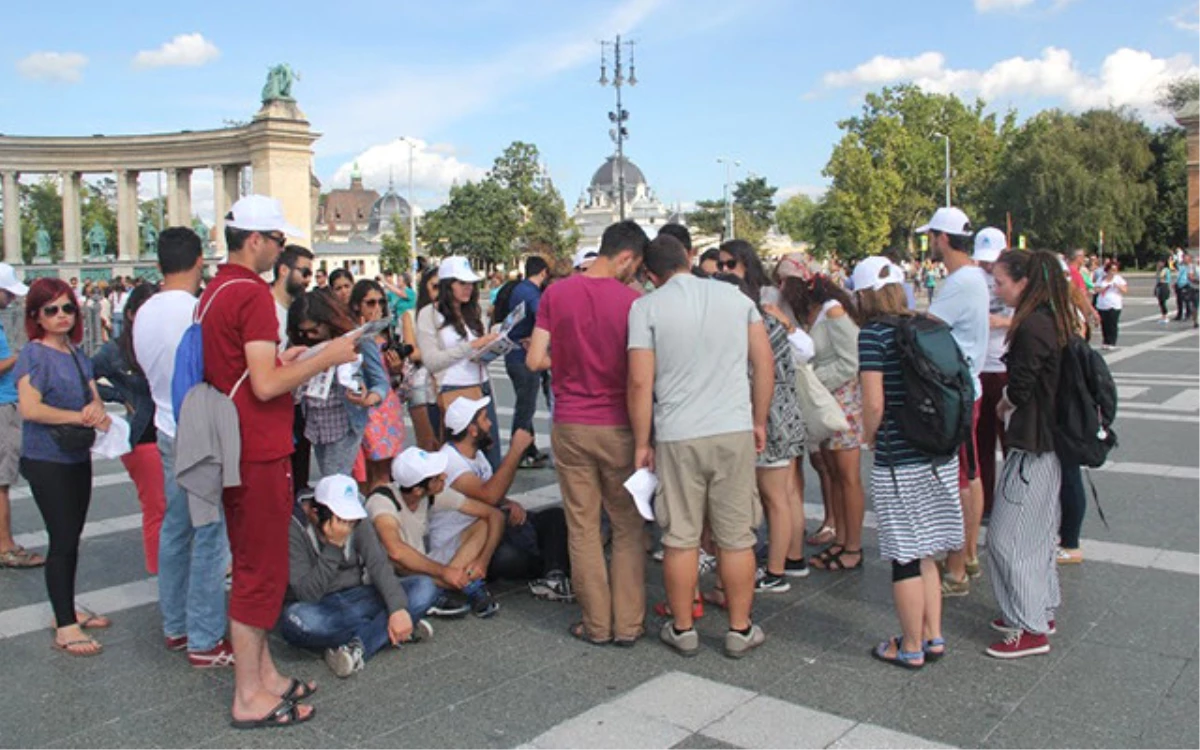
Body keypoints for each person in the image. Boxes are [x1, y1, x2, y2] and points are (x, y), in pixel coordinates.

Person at [204, 195, 360, 729]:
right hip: (256, 450)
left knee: (256, 564)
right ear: (256, 239)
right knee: (260, 572)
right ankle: (249, 693)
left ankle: (264, 676)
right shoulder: (247, 293)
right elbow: (265, 385)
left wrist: (287, 356)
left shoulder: (217, 288)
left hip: (236, 445)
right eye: (276, 240)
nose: (280, 249)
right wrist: (324, 357)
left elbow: (247, 371)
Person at [628, 234, 775, 659]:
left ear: (650, 275)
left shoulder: (646, 307)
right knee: (736, 536)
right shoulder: (736, 299)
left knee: (680, 537)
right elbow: (763, 362)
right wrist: (759, 419)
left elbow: (640, 381)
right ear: (690, 258)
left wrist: (642, 441)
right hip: (733, 427)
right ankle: (740, 628)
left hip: (677, 434)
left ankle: (683, 628)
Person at [526, 220, 649, 645]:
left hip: (571, 423)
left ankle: (596, 625)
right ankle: (629, 624)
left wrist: (568, 360)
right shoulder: (634, 302)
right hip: (618, 425)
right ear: (627, 257)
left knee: (582, 527)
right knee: (628, 526)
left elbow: (534, 359)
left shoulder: (557, 292)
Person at [854, 256, 964, 670]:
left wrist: (868, 436)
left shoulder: (873, 336)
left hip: (900, 457)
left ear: (865, 295)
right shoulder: (929, 326)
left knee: (904, 556)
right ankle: (934, 636)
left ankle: (910, 645)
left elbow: (874, 400)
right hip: (939, 453)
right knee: (928, 553)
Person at [133, 228, 233, 667]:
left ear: (159, 265)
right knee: (209, 534)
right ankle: (206, 637)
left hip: (165, 422)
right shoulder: (197, 310)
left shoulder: (143, 311)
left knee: (175, 530)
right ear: (200, 262)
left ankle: (175, 625)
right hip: (200, 428)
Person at [15, 278, 113, 656]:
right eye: (51, 310)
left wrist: (95, 410)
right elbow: (30, 408)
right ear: (36, 316)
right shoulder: (34, 355)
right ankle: (65, 624)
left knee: (72, 535)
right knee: (62, 538)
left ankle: (66, 608)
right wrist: (78, 415)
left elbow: (94, 397)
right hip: (45, 457)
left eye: (67, 308)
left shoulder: (75, 353)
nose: (61, 316)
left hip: (76, 453)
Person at [986, 250, 1072, 659]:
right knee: (1035, 535)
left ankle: (1029, 627)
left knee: (1007, 538)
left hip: (1032, 443)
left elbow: (1020, 389)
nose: (997, 289)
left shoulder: (1032, 325)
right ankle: (1039, 610)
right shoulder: (1049, 318)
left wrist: (1003, 402)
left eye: (1001, 282)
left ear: (1023, 282)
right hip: (1047, 443)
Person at [282, 474, 435, 679]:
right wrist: (334, 547)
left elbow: (378, 564)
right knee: (297, 620)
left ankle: (359, 645)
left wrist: (397, 608)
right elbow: (307, 593)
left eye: (351, 520)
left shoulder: (357, 518)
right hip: (320, 605)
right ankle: (386, 631)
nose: (348, 526)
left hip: (359, 595)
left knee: (424, 586)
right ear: (316, 513)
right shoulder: (294, 527)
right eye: (341, 520)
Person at [714, 271, 806, 593]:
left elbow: (752, 375)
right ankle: (782, 564)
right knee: (781, 496)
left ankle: (775, 571)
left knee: (774, 497)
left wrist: (757, 420)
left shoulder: (746, 326)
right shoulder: (769, 320)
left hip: (765, 415)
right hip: (786, 413)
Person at [433, 396, 572, 608]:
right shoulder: (450, 461)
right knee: (509, 556)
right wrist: (515, 450)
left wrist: (509, 502)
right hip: (468, 542)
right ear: (472, 429)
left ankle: (554, 574)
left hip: (493, 526)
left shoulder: (476, 455)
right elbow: (488, 495)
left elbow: (489, 494)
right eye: (484, 419)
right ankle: (554, 565)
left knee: (554, 517)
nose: (489, 424)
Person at [919, 207, 988, 597]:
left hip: (956, 390)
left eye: (931, 236)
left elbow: (929, 328)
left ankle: (958, 567)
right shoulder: (972, 276)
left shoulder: (961, 281)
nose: (929, 243)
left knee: (962, 478)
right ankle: (969, 554)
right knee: (971, 473)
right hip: (967, 386)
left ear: (942, 238)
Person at [782, 271, 865, 573]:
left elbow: (851, 361)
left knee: (848, 477)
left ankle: (853, 546)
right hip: (830, 402)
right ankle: (842, 540)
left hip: (842, 403)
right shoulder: (821, 313)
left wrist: (815, 381)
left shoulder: (833, 312)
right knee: (835, 474)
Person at [367, 446, 506, 619]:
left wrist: (482, 561)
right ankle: (459, 585)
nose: (444, 477)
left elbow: (494, 515)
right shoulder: (382, 501)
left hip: (423, 565)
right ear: (418, 490)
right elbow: (396, 551)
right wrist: (444, 572)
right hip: (393, 574)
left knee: (483, 525)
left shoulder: (431, 493)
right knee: (418, 581)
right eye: (437, 478)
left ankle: (451, 585)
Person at [93, 284, 166, 574]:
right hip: (143, 436)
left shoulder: (169, 341)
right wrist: (118, 395)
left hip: (177, 431)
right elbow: (83, 375)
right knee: (157, 507)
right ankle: (160, 571)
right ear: (133, 314)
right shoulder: (115, 350)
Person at [288, 291, 388, 477]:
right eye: (303, 332)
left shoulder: (357, 339)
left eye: (314, 330)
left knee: (336, 480)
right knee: (330, 479)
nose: (309, 336)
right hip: (314, 422)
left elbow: (380, 382)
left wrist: (367, 399)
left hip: (343, 420)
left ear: (328, 321)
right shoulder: (302, 343)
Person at [415, 257, 501, 466]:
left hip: (481, 386)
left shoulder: (471, 312)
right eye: (462, 283)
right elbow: (432, 361)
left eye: (471, 283)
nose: (468, 288)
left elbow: (477, 348)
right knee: (458, 461)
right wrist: (471, 347)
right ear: (447, 285)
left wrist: (493, 346)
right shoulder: (429, 314)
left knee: (490, 455)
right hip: (452, 390)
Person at [0, 264, 43, 569]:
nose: (12, 300)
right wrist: (19, 357)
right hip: (3, 405)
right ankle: (5, 545)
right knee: (2, 481)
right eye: (8, 293)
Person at [349, 279, 406, 490]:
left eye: (381, 302)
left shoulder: (385, 332)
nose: (377, 308)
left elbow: (394, 381)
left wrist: (397, 370)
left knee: (389, 468)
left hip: (389, 405)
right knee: (371, 467)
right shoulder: (354, 334)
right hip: (368, 405)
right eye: (370, 303)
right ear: (357, 305)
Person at [972, 228, 1012, 518]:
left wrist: (1004, 322)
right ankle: (984, 500)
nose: (987, 266)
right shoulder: (972, 280)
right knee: (980, 440)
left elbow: (1029, 318)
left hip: (1005, 365)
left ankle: (1013, 499)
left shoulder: (1016, 278)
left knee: (1011, 439)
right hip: (979, 366)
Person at [271, 245, 314, 495]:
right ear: (284, 270)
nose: (308, 279)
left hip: (300, 404)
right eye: (304, 272)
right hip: (274, 404)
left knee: (299, 480)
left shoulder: (301, 308)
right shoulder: (266, 306)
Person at [504, 256, 551, 469]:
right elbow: (543, 315)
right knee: (526, 408)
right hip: (524, 357)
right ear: (543, 272)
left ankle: (529, 448)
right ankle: (519, 453)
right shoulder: (532, 293)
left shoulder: (519, 289)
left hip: (513, 355)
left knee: (525, 405)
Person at [403, 266, 441, 451]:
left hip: (445, 382)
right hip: (421, 385)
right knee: (428, 445)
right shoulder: (410, 315)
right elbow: (412, 352)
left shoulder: (449, 314)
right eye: (435, 286)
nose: (440, 293)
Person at [1095, 261, 1129, 347]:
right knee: (1104, 324)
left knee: (1112, 324)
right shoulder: (1102, 278)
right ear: (1108, 270)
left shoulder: (1118, 279)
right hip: (1102, 305)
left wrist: (1118, 286)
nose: (1113, 272)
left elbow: (1125, 290)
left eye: (1115, 270)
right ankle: (1105, 341)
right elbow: (1096, 289)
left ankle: (1112, 342)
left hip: (1114, 304)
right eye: (1112, 270)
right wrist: (1103, 288)